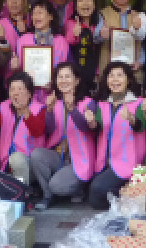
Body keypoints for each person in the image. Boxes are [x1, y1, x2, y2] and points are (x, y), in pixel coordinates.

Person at [30, 62, 97, 209]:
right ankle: (48, 196)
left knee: (57, 186)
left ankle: (79, 187)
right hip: (58, 155)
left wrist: (72, 108)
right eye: (60, 77)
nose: (63, 80)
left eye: (68, 76)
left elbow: (85, 128)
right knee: (37, 154)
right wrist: (49, 110)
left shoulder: (89, 102)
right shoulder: (55, 102)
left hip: (79, 159)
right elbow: (49, 129)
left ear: (77, 80)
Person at [84, 61, 146, 209]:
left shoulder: (138, 103)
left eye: (119, 75)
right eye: (111, 76)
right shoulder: (102, 104)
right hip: (104, 162)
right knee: (93, 195)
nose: (115, 80)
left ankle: (128, 193)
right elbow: (97, 127)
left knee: (97, 190)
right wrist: (91, 122)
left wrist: (131, 118)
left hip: (126, 162)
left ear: (128, 80)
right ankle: (126, 193)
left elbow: (140, 126)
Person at [0, 71, 46, 184]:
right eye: (12, 89)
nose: (16, 93)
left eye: (20, 89)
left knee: (16, 159)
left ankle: (22, 190)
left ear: (29, 93)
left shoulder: (40, 109)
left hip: (30, 166)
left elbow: (37, 132)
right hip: (6, 164)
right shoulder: (3, 107)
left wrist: (25, 110)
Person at [11, 0, 69, 103]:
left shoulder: (61, 41)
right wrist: (14, 68)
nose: (36, 16)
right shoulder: (23, 40)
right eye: (33, 13)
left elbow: (67, 70)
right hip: (27, 98)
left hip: (54, 97)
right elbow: (17, 73)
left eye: (40, 12)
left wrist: (54, 84)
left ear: (51, 16)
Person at [95, 0, 141, 75]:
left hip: (133, 70)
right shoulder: (101, 14)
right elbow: (94, 39)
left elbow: (145, 44)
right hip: (109, 72)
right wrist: (100, 35)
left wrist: (141, 61)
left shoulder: (140, 17)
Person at [64, 0, 102, 96]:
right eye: (81, 1)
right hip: (76, 76)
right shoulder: (71, 23)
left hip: (93, 74)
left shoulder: (98, 25)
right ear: (75, 7)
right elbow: (67, 40)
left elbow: (98, 51)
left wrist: (97, 72)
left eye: (89, 0)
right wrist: (74, 34)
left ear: (94, 5)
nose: (85, 3)